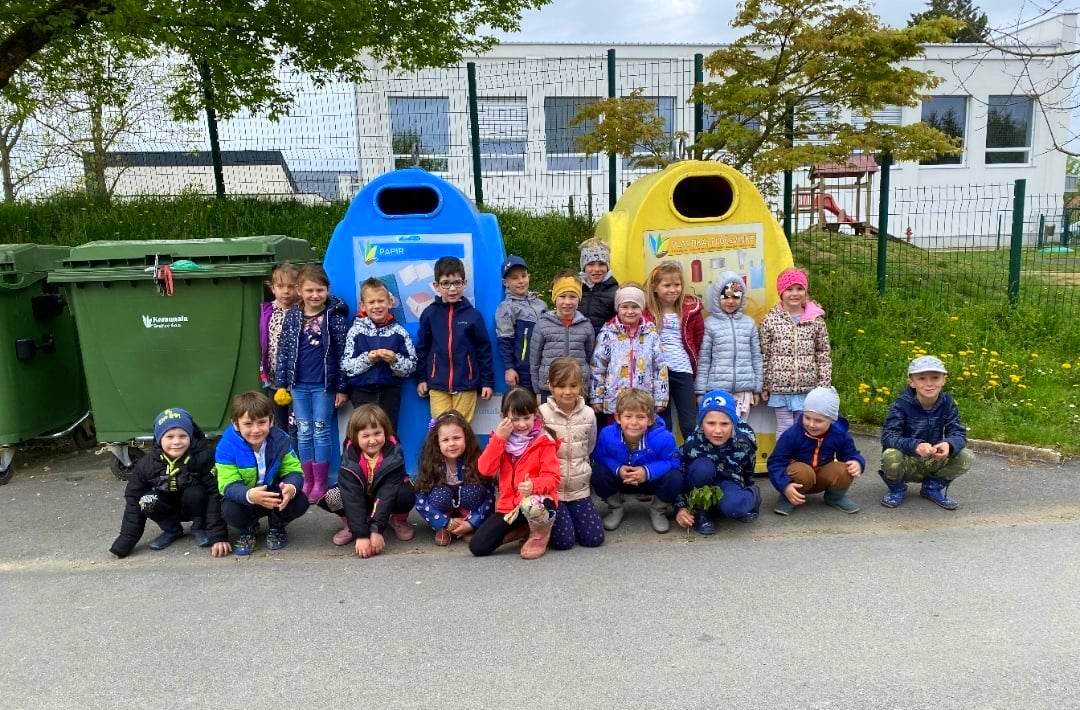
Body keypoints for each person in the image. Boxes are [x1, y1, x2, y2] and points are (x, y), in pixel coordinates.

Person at [274, 264, 350, 505]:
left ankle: (321, 482)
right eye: (309, 290)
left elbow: (343, 354)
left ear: (327, 290)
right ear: (300, 290)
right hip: (298, 385)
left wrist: (342, 388)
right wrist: (281, 384)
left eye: (320, 290)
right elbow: (284, 351)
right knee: (304, 432)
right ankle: (307, 480)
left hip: (324, 386)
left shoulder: (334, 317)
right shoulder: (293, 316)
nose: (315, 295)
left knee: (321, 430)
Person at [109, 408, 230, 558]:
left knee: (196, 491)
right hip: (168, 507)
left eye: (182, 436)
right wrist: (125, 541)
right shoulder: (147, 464)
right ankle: (172, 530)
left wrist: (218, 536)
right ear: (159, 439)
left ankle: (200, 527)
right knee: (147, 500)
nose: (176, 442)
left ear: (191, 436)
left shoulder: (203, 458)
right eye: (169, 436)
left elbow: (215, 494)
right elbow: (133, 499)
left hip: (196, 505)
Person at [469, 388, 561, 560]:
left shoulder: (544, 440)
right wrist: (499, 439)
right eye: (515, 419)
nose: (522, 424)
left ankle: (539, 535)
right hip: (509, 506)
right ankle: (523, 529)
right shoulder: (500, 439)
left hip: (537, 503)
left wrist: (534, 485)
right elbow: (485, 469)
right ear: (504, 417)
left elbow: (553, 478)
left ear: (535, 415)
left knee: (536, 510)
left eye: (526, 418)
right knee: (478, 546)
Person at [216, 391, 310, 556]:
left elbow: (294, 470)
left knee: (300, 500)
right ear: (236, 424)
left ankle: (277, 525)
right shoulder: (226, 446)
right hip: (246, 497)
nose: (256, 430)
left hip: (272, 494)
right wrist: (249, 495)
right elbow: (227, 484)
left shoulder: (281, 440)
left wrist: (291, 487)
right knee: (228, 508)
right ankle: (247, 529)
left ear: (271, 420)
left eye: (261, 422)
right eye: (248, 424)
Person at [879, 355, 975, 510]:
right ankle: (897, 488)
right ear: (912, 382)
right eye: (922, 378)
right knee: (890, 455)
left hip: (934, 457)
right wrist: (915, 445)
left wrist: (948, 444)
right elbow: (888, 436)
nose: (929, 384)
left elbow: (958, 432)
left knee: (966, 455)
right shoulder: (901, 405)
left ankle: (932, 487)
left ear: (944, 380)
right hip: (908, 459)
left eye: (935, 378)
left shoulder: (947, 403)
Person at [415, 256, 494, 422]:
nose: (452, 289)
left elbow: (484, 350)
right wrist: (421, 378)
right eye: (446, 283)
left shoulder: (473, 316)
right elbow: (422, 349)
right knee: (440, 428)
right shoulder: (429, 314)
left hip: (466, 384)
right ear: (436, 286)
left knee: (462, 428)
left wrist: (487, 382)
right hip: (437, 385)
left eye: (457, 283)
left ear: (464, 284)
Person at [592, 389, 682, 533]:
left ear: (650, 419)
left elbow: (674, 462)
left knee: (675, 476)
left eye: (641, 417)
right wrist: (618, 469)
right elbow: (600, 457)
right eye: (628, 416)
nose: (634, 422)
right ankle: (616, 507)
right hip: (621, 480)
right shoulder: (607, 434)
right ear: (618, 418)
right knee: (598, 472)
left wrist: (647, 472)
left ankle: (658, 510)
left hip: (649, 482)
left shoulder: (664, 437)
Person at [332, 405, 416, 558]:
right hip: (361, 500)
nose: (372, 440)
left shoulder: (394, 456)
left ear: (386, 431)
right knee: (333, 495)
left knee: (406, 492)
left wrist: (376, 530)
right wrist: (361, 535)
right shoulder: (349, 458)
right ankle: (351, 525)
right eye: (365, 436)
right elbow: (352, 497)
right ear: (355, 437)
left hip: (384, 500)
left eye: (377, 433)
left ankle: (398, 520)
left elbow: (386, 494)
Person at [674, 390, 761, 536]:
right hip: (700, 483)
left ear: (733, 422)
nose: (718, 430)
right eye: (711, 423)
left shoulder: (744, 441)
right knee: (702, 468)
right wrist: (680, 507)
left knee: (735, 506)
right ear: (701, 423)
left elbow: (748, 468)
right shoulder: (693, 442)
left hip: (728, 481)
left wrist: (745, 489)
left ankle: (752, 495)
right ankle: (700, 511)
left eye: (725, 424)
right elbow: (678, 475)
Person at [538, 358, 604, 550]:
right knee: (564, 542)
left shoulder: (589, 414)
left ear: (580, 385)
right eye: (561, 386)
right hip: (553, 492)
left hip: (579, 489)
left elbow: (589, 445)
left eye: (573, 386)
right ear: (550, 386)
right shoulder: (541, 414)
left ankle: (571, 515)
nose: (567, 391)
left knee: (593, 539)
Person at [767, 386, 864, 516]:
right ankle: (788, 497)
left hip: (822, 475)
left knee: (846, 468)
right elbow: (776, 462)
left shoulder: (839, 434)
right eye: (807, 417)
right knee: (802, 471)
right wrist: (784, 486)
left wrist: (857, 462)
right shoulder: (792, 434)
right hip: (799, 479)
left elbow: (851, 454)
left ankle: (835, 497)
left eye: (818, 420)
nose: (811, 424)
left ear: (831, 419)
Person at [760, 268, 831, 438]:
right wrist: (764, 384)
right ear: (781, 292)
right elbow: (764, 355)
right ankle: (783, 455)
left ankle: (802, 456)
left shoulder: (815, 321)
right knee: (785, 428)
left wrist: (824, 385)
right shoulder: (770, 320)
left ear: (805, 291)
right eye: (789, 289)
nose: (794, 293)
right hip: (780, 388)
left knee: (804, 428)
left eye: (799, 288)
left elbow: (823, 354)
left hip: (808, 388)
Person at [340, 277, 417, 432]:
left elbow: (411, 366)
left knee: (389, 434)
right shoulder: (355, 331)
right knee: (365, 434)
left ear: (390, 302)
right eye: (371, 302)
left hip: (390, 392)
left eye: (381, 301)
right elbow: (346, 367)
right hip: (361, 392)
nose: (377, 306)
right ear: (363, 306)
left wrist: (394, 360)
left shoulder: (399, 332)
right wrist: (368, 359)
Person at [413, 410, 493, 546]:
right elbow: (420, 501)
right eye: (445, 440)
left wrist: (472, 522)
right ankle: (444, 527)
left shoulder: (476, 459)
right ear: (437, 442)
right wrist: (444, 522)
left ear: (466, 437)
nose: (451, 444)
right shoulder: (430, 463)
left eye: (456, 438)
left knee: (474, 489)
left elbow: (489, 496)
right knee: (440, 493)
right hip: (442, 512)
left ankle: (465, 522)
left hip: (469, 510)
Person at [643, 261, 703, 438]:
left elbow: (698, 338)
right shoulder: (647, 312)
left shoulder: (691, 310)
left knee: (690, 423)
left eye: (677, 285)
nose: (673, 290)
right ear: (655, 287)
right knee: (663, 423)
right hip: (657, 372)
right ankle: (668, 455)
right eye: (667, 285)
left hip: (683, 370)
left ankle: (693, 454)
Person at [590, 284, 669, 417]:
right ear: (618, 308)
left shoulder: (651, 334)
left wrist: (661, 398)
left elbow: (660, 367)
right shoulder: (607, 334)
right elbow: (598, 367)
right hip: (615, 401)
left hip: (643, 401)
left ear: (642, 308)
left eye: (635, 307)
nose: (630, 311)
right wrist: (596, 397)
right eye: (625, 307)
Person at [695, 272, 763, 421]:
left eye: (736, 297)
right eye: (725, 297)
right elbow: (704, 360)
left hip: (744, 391)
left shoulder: (749, 324)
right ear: (717, 297)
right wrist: (700, 391)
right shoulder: (709, 324)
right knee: (720, 428)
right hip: (717, 391)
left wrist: (757, 389)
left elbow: (756, 357)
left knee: (740, 429)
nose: (731, 301)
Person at [529, 270, 595, 401]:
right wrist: (537, 388)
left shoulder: (586, 325)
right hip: (549, 388)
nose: (567, 302)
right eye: (562, 296)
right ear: (554, 298)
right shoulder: (543, 324)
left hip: (577, 387)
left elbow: (590, 356)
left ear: (579, 299)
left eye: (572, 296)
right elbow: (534, 359)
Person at [494, 255, 547, 393]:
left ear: (529, 276)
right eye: (515, 278)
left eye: (523, 276)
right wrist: (509, 368)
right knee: (526, 404)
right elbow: (504, 340)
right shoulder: (506, 308)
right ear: (505, 282)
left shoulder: (541, 304)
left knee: (545, 403)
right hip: (523, 369)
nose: (521, 281)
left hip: (544, 365)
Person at [259, 262, 299, 432]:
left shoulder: (301, 311)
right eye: (280, 286)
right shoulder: (267, 311)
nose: (286, 291)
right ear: (273, 288)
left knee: (295, 423)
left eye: (291, 286)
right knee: (277, 422)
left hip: (296, 378)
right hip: (273, 378)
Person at [578, 237, 619, 336]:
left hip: (605, 343)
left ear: (607, 266)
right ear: (584, 267)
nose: (596, 269)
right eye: (591, 264)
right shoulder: (575, 289)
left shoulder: (616, 292)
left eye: (601, 264)